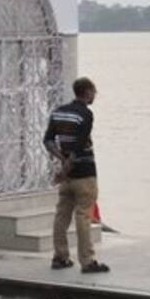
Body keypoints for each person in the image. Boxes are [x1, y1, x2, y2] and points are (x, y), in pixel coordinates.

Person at [43, 76, 108, 273]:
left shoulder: (58, 112)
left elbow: (47, 140)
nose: (95, 95)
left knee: (61, 215)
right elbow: (79, 145)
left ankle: (60, 257)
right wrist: (66, 167)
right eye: (94, 91)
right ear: (87, 92)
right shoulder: (85, 115)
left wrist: (61, 160)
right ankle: (87, 261)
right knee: (83, 216)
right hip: (84, 173)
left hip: (68, 178)